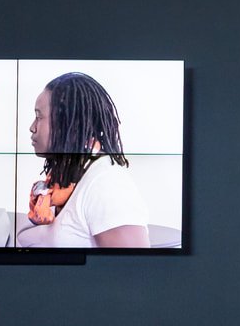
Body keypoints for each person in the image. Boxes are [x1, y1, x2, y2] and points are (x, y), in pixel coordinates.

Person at [21, 72, 150, 248]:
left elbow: (134, 270)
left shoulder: (107, 185)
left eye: (39, 116)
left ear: (67, 122)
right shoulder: (63, 180)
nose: (32, 127)